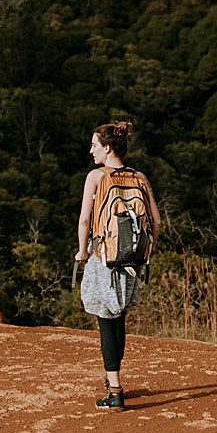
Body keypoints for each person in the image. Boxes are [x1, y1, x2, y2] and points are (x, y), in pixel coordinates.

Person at [75, 120, 160, 410]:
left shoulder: (96, 177)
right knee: (119, 316)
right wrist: (143, 251)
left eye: (95, 145)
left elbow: (85, 220)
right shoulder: (140, 177)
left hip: (103, 257)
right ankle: (114, 378)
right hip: (133, 260)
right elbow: (157, 222)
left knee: (105, 320)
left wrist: (81, 252)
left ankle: (115, 389)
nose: (91, 151)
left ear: (107, 147)